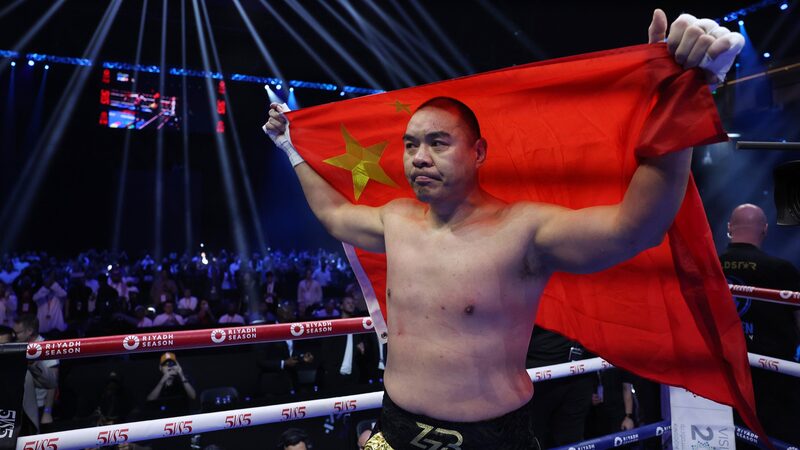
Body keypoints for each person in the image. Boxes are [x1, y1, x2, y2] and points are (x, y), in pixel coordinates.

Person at [264, 11, 743, 449]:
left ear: (478, 152)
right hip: (395, 428)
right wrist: (290, 147)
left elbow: (636, 228)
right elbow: (333, 216)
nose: (419, 157)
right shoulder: (396, 219)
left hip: (493, 437)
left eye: (437, 142)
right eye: (410, 144)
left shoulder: (523, 230)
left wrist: (684, 96)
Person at [719, 203, 800, 444]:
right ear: (764, 229)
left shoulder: (710, 266)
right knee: (778, 439)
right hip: (774, 378)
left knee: (733, 436)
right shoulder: (780, 270)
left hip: (724, 370)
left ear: (729, 228)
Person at [12, 315, 59, 434]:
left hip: (39, 406)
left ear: (29, 331)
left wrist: (47, 412)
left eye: (18, 333)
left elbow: (53, 383)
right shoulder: (18, 346)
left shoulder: (47, 347)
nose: (14, 336)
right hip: (21, 404)